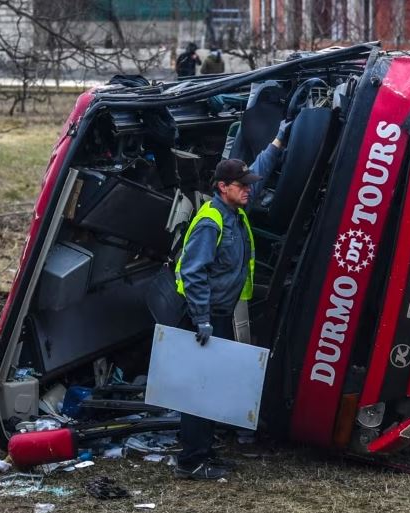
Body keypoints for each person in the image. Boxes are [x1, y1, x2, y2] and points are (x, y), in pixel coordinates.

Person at [172, 119, 292, 480]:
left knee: (212, 385)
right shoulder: (212, 222)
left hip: (219, 312)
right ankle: (191, 461)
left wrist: (278, 142)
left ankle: (204, 452)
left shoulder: (234, 210)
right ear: (223, 187)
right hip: (202, 317)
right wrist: (203, 319)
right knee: (198, 389)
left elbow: (258, 171)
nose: (249, 191)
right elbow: (193, 273)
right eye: (242, 186)